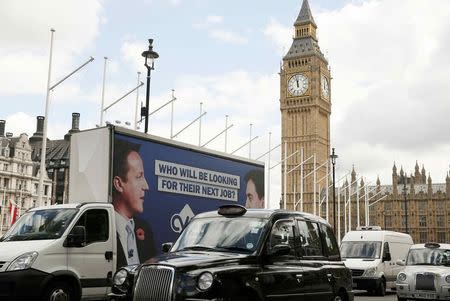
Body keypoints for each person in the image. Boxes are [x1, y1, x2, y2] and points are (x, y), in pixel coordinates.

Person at [112, 138, 156, 268]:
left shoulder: (145, 229)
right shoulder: (105, 230)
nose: (146, 186)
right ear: (119, 184)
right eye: (139, 177)